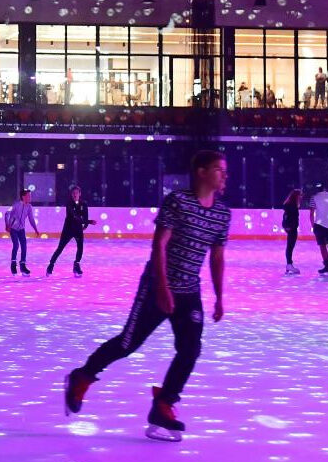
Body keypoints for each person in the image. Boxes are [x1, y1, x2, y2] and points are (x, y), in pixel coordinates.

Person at [64, 150, 230, 443]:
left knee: (190, 350)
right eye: (219, 169)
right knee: (127, 344)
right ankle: (82, 377)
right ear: (202, 172)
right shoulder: (177, 202)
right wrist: (163, 288)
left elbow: (217, 257)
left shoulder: (221, 213)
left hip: (190, 291)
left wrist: (219, 297)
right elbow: (159, 246)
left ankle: (164, 404)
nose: (224, 175)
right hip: (156, 285)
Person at [47, 185, 97, 277]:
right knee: (60, 248)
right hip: (68, 229)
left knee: (80, 247)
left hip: (78, 229)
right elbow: (75, 217)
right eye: (73, 193)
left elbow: (85, 215)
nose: (75, 195)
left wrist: (85, 225)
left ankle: (76, 265)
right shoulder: (69, 204)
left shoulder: (84, 204)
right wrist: (89, 222)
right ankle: (51, 265)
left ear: (80, 194)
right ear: (71, 194)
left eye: (76, 193)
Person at [5, 188, 40, 275]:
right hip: (13, 228)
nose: (30, 197)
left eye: (30, 196)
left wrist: (35, 229)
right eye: (28, 196)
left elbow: (31, 219)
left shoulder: (29, 207)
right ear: (23, 197)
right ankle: (13, 264)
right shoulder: (16, 204)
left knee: (24, 246)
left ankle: (22, 266)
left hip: (21, 229)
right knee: (16, 245)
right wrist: (7, 224)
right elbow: (7, 214)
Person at [309, 184, 328, 275]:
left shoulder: (314, 197)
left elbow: (311, 212)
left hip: (319, 224)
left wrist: (313, 225)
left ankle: (327, 265)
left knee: (322, 245)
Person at [281, 188, 302, 275]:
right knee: (290, 247)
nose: (301, 197)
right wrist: (287, 226)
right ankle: (289, 264)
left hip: (291, 228)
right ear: (296, 196)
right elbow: (287, 217)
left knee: (290, 247)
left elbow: (285, 216)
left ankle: (289, 263)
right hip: (292, 228)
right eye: (300, 195)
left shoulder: (290, 205)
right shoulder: (292, 206)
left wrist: (286, 226)